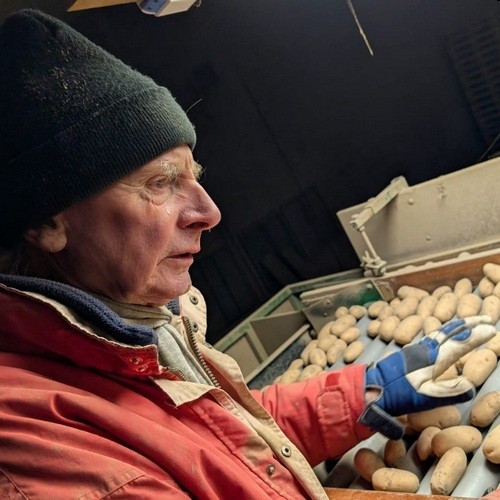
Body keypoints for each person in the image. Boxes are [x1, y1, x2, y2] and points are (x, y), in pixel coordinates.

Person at [0, 9, 498, 499]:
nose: (210, 213)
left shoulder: (135, 328)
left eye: (195, 177)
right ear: (47, 223)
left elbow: (224, 445)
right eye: (161, 183)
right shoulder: (43, 454)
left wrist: (365, 393)